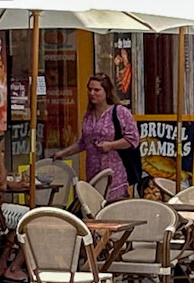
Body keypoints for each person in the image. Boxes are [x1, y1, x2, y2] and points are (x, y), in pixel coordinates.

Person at [53, 72, 140, 202]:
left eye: (96, 90)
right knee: (94, 206)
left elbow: (133, 139)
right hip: (93, 172)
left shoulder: (119, 112)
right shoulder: (88, 115)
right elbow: (83, 142)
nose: (92, 93)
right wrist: (63, 153)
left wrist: (110, 145)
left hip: (114, 174)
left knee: (112, 209)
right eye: (90, 89)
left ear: (106, 92)